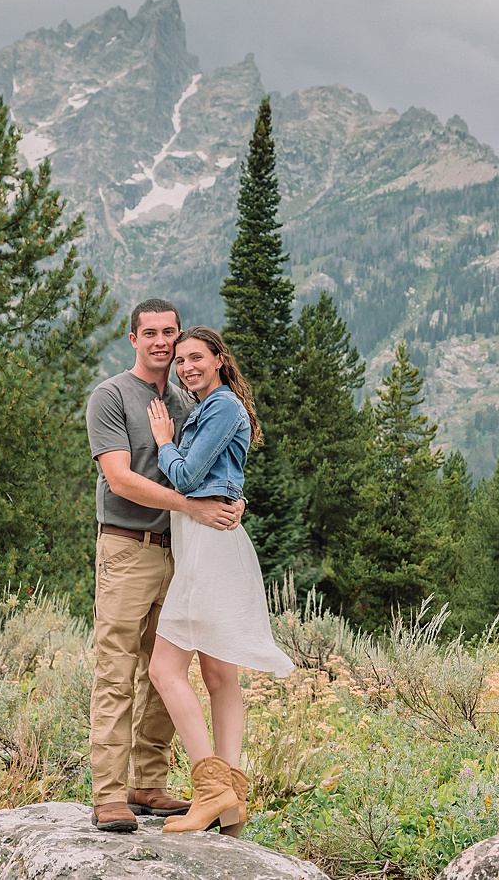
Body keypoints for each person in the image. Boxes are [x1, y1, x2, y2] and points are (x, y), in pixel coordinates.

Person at [85, 300, 247, 833]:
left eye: (169, 334)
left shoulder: (189, 400)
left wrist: (230, 499)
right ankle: (109, 794)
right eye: (150, 333)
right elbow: (121, 479)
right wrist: (193, 507)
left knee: (163, 674)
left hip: (181, 552)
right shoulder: (111, 396)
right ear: (133, 338)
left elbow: (214, 462)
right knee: (115, 670)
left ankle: (148, 783)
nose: (161, 343)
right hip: (128, 548)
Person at [145, 327, 294, 837]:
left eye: (195, 357)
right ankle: (230, 800)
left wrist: (164, 442)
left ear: (218, 359)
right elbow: (221, 474)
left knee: (165, 668)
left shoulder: (223, 406)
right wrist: (235, 494)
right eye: (180, 360)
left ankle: (211, 790)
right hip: (208, 540)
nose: (186, 367)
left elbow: (186, 479)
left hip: (208, 547)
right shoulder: (214, 406)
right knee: (217, 675)